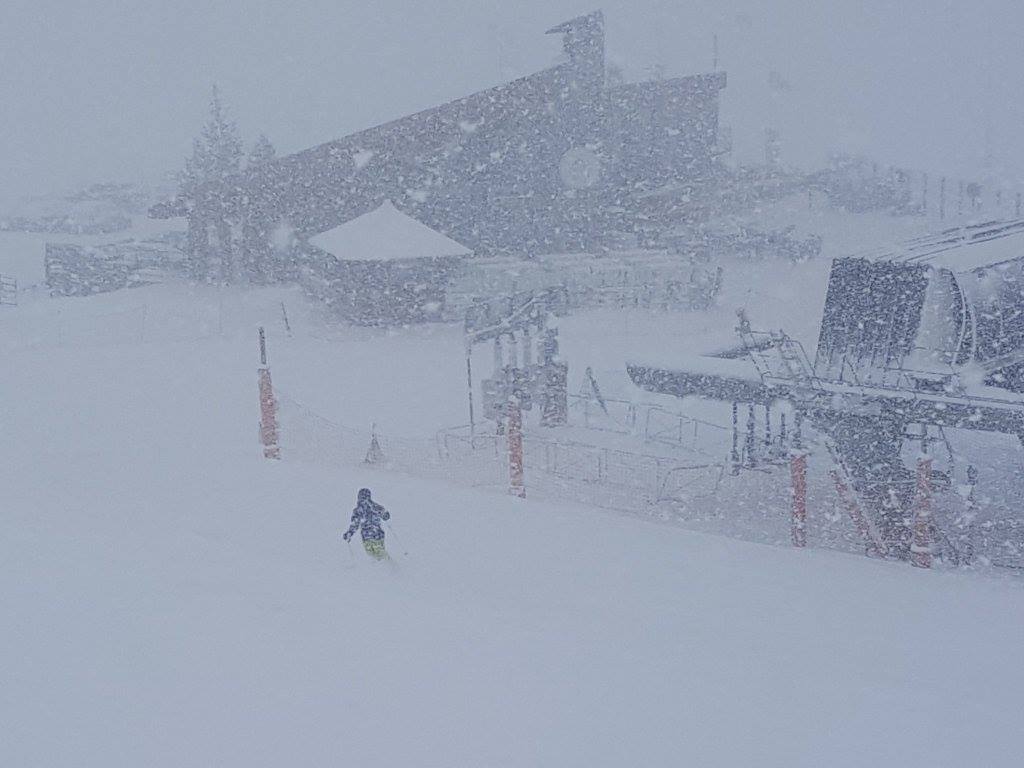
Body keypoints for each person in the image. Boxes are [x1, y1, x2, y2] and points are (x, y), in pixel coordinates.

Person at [343, 488, 391, 560]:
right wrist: (385, 515)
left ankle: (384, 565)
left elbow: (355, 524)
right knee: (378, 553)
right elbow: (384, 515)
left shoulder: (360, 509)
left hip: (369, 535)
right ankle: (385, 565)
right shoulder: (373, 507)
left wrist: (349, 533)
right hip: (375, 534)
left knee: (374, 554)